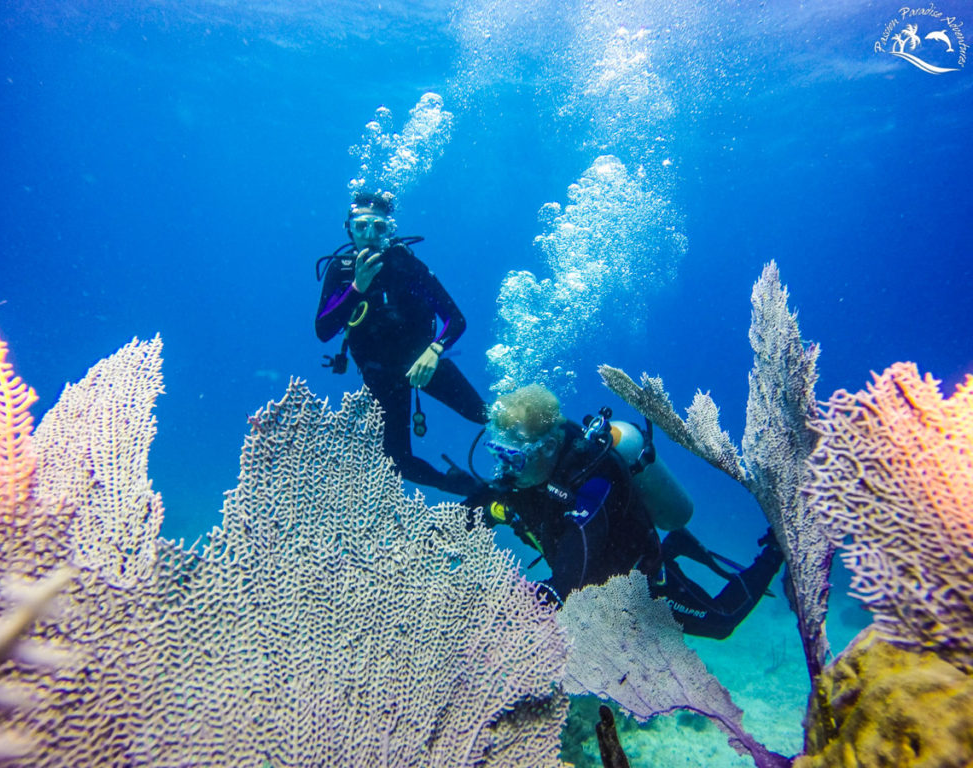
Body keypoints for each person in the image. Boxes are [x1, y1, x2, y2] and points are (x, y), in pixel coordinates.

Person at [464, 384, 784, 640]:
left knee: (719, 623)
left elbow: (576, 561)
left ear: (548, 448)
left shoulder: (592, 480)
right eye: (498, 454)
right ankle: (679, 543)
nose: (503, 471)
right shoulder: (521, 478)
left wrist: (523, 607)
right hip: (592, 576)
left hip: (636, 576)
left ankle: (773, 551)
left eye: (514, 459)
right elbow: (473, 512)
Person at [315, 190, 486, 496]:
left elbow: (456, 319)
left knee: (483, 415)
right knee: (397, 462)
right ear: (349, 228)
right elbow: (323, 330)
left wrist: (435, 350)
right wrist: (356, 288)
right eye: (361, 226)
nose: (369, 235)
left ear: (389, 230)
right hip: (380, 376)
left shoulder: (407, 267)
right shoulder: (341, 272)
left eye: (379, 227)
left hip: (424, 363)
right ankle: (472, 490)